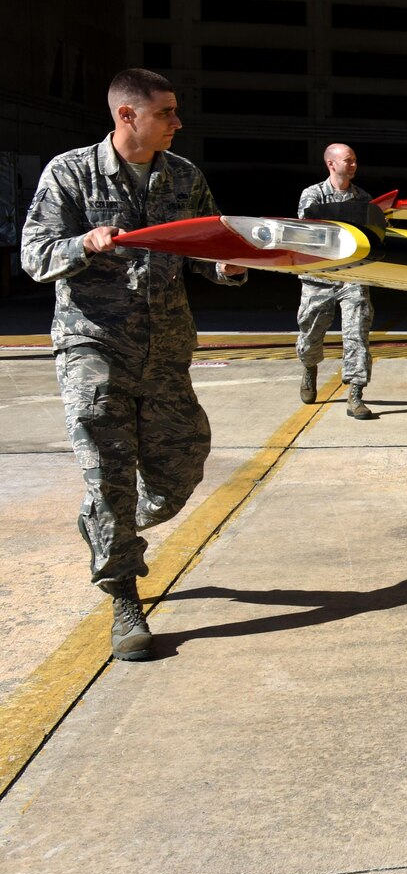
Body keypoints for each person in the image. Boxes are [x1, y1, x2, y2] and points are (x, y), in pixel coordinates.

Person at [19, 68, 247, 661]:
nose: (177, 122)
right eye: (166, 112)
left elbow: (206, 248)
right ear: (128, 116)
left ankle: (107, 521)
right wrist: (83, 244)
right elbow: (34, 254)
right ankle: (124, 597)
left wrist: (227, 268)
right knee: (108, 469)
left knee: (183, 463)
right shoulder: (69, 173)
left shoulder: (184, 176)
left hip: (166, 347)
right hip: (93, 345)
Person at [296, 142, 377, 420]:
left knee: (357, 334)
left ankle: (355, 395)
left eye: (355, 160)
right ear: (331, 164)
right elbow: (309, 231)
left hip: (352, 276)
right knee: (310, 334)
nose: (353, 164)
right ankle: (309, 368)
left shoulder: (364, 199)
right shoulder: (313, 195)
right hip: (319, 276)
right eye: (348, 160)